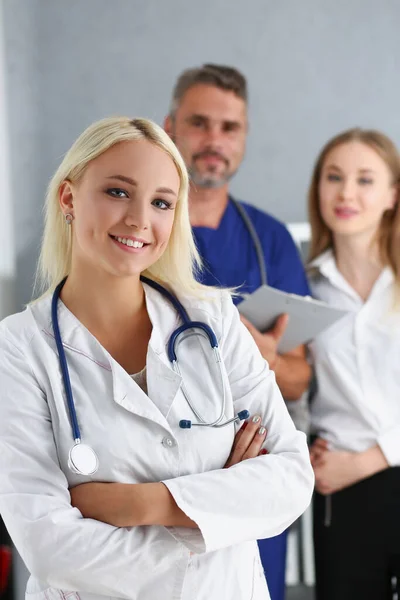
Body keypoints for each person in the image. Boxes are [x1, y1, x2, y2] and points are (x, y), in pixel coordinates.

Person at [0, 116, 313, 600]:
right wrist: (218, 513)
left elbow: (291, 479)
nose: (139, 220)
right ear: (68, 198)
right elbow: (47, 544)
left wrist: (140, 504)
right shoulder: (19, 348)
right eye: (118, 192)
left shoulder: (214, 320)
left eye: (162, 202)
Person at [164, 63, 312, 598]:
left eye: (230, 128)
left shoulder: (269, 240)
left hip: (253, 475)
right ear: (171, 125)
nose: (214, 141)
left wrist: (265, 357)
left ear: (244, 137)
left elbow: (298, 380)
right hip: (160, 480)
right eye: (200, 123)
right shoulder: (140, 231)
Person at [307, 128, 400, 599]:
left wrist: (370, 459)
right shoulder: (304, 291)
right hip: (340, 491)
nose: (345, 192)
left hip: (365, 466)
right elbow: (293, 386)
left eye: (365, 179)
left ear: (392, 195)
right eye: (334, 177)